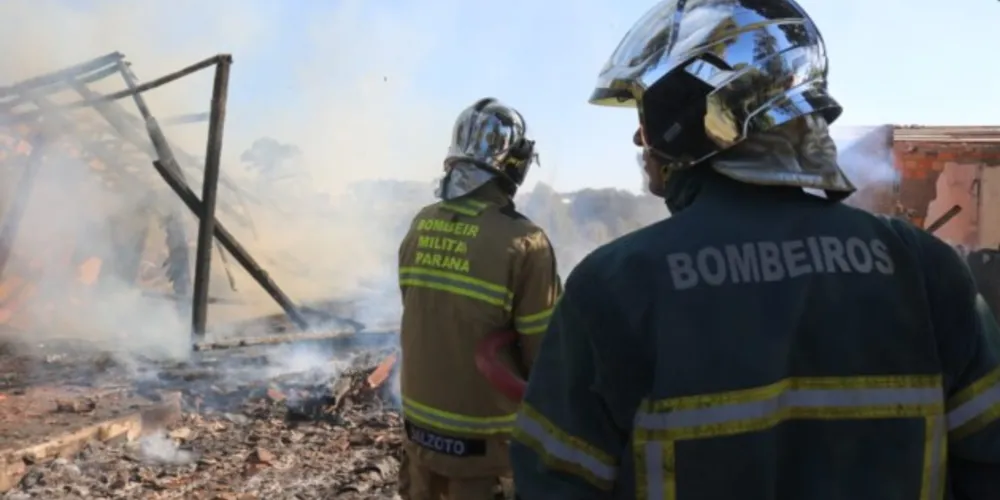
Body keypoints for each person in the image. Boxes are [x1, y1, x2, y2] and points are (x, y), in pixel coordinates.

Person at [509, 1, 1000, 499]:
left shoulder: (615, 287)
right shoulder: (924, 269)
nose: (641, 136)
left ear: (690, 113)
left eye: (646, 111)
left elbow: (554, 482)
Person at [397, 97, 561, 499]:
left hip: (418, 441)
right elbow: (548, 358)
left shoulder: (421, 224)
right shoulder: (525, 241)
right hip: (485, 456)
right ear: (516, 163)